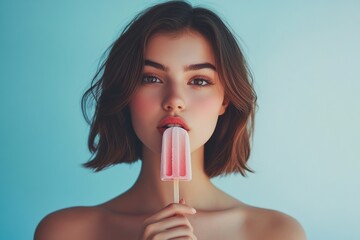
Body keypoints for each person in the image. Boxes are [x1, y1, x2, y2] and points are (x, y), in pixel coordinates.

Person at [34, 1, 306, 239]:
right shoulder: (65, 232)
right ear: (126, 94)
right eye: (151, 78)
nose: (174, 100)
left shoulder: (277, 233)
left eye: (199, 81)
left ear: (225, 101)